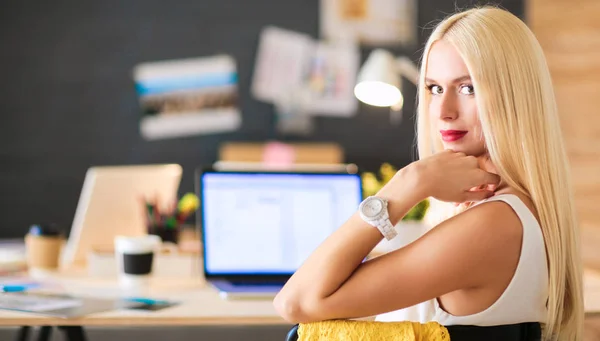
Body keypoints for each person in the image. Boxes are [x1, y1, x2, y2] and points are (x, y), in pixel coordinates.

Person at [273, 6, 583, 341]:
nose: (444, 111)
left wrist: (407, 184)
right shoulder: (504, 210)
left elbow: (297, 301)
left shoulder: (494, 224)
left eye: (468, 88)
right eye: (435, 88)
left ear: (514, 96)